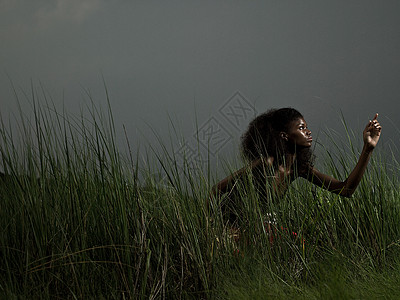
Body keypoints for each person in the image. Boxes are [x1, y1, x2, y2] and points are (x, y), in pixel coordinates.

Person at [210, 108, 382, 225]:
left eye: (306, 127)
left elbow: (345, 190)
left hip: (261, 229)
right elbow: (216, 190)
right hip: (234, 228)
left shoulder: (299, 169)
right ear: (285, 136)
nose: (308, 132)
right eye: (301, 128)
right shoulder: (265, 164)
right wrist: (211, 225)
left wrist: (368, 149)